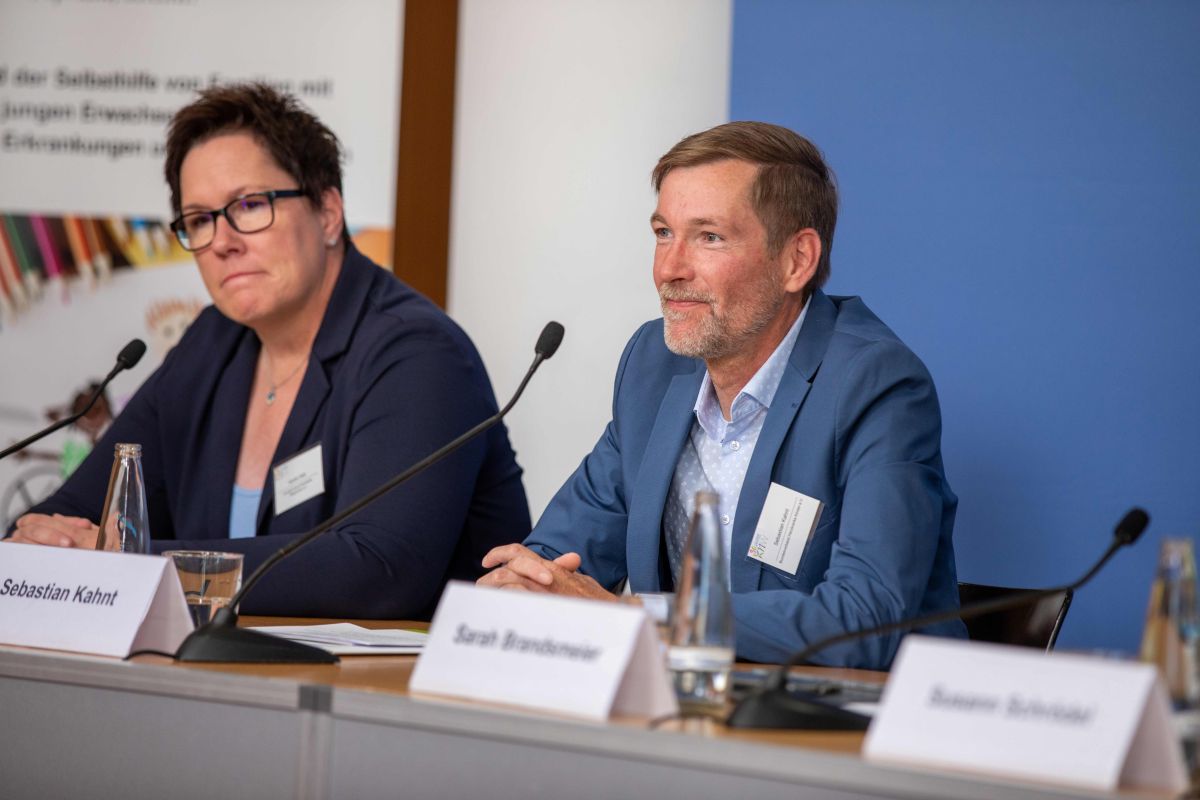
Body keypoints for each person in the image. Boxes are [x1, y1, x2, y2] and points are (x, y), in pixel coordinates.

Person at [7, 83, 531, 619]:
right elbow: (71, 516)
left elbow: (376, 571)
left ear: (328, 212)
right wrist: (43, 544)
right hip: (228, 685)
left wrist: (131, 562)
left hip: (396, 694)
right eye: (200, 220)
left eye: (250, 205)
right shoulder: (214, 343)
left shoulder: (418, 354)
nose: (222, 241)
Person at [479, 122, 963, 669]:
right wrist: (526, 586)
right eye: (664, 233)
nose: (669, 269)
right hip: (683, 712)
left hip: (843, 728)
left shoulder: (876, 384)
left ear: (796, 261)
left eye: (709, 237)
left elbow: (865, 618)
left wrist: (634, 620)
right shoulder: (653, 364)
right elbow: (558, 555)